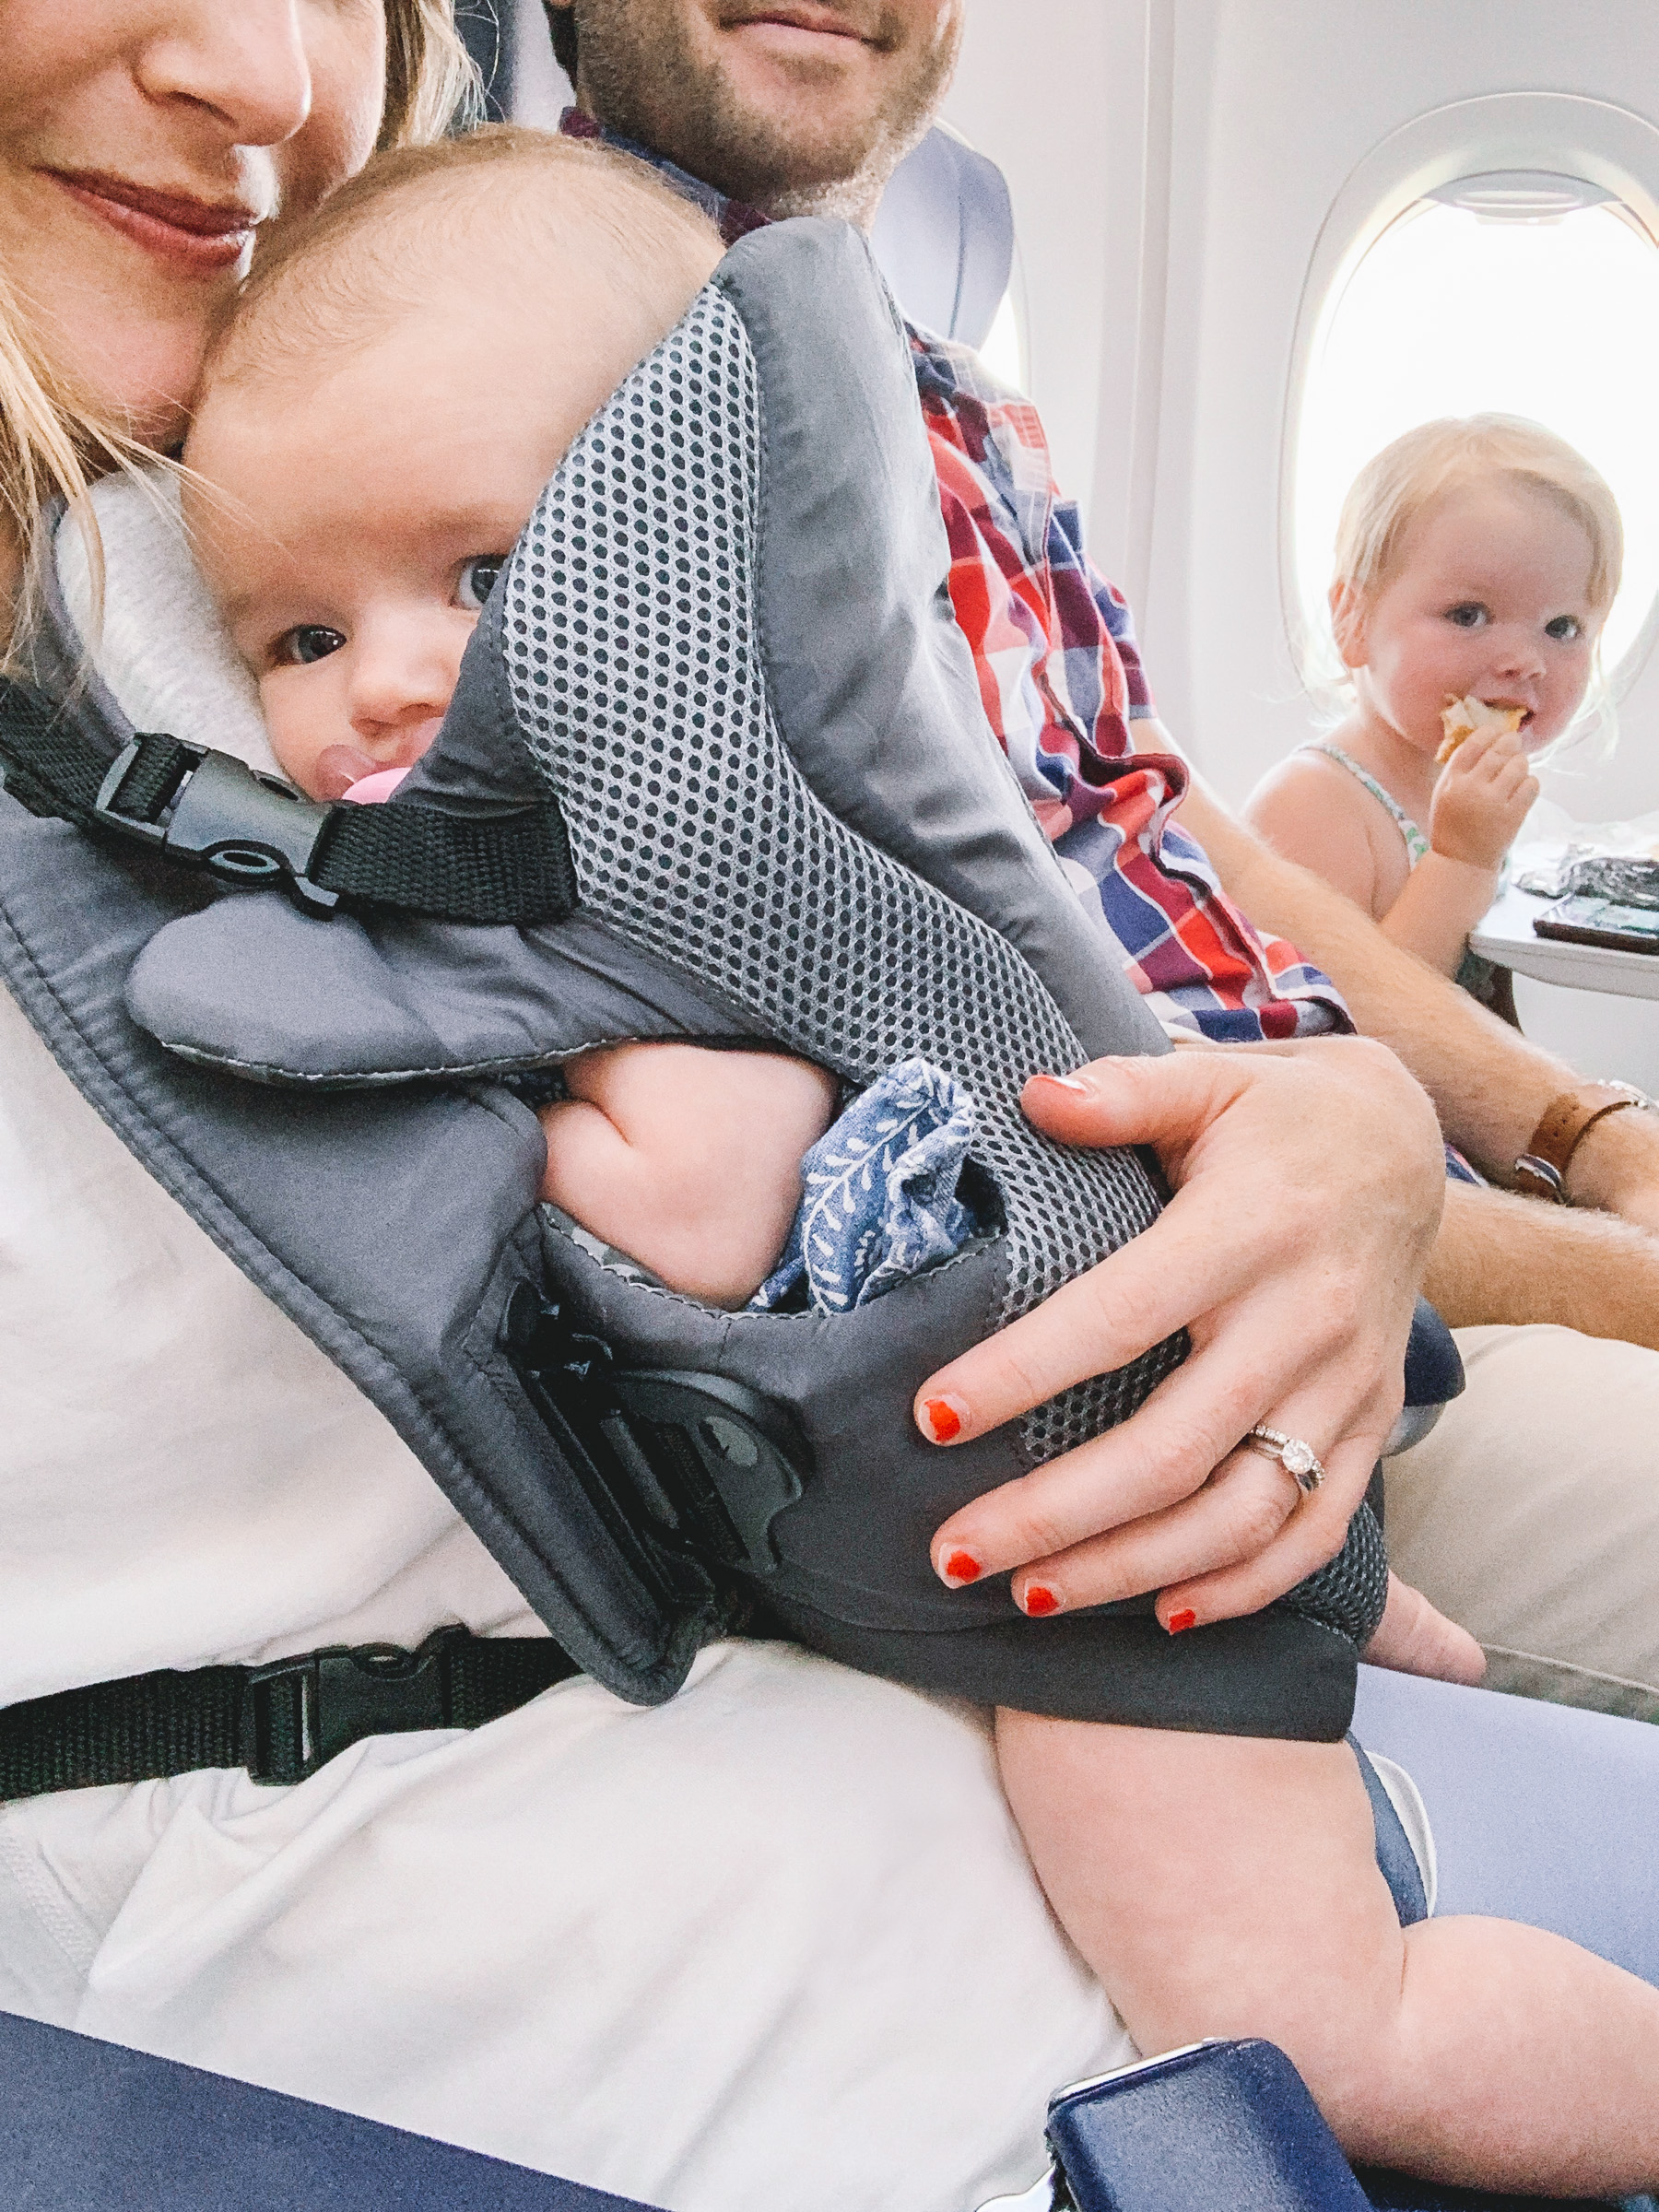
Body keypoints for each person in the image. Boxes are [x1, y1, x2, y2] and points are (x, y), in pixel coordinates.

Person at [0, 9, 1492, 2208]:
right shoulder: (279, 561)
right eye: (312, 638)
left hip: (1066, 1636)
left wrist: (1363, 1130)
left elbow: (995, 884)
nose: (265, 68)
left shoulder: (279, 496)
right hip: (749, 1869)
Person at [543, 0, 1659, 1718]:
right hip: (1199, 1318)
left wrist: (1578, 1134)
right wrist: (1591, 1275)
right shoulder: (537, 346)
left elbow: (1154, 816)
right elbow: (971, 1059)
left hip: (1375, 1210)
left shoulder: (969, 410)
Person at [1243, 418, 1617, 1007]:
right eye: (1468, 615)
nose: (1526, 661)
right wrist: (1460, 860)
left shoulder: (1479, 795)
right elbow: (1349, 1026)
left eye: (1562, 627)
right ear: (1353, 619)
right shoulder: (1312, 805)